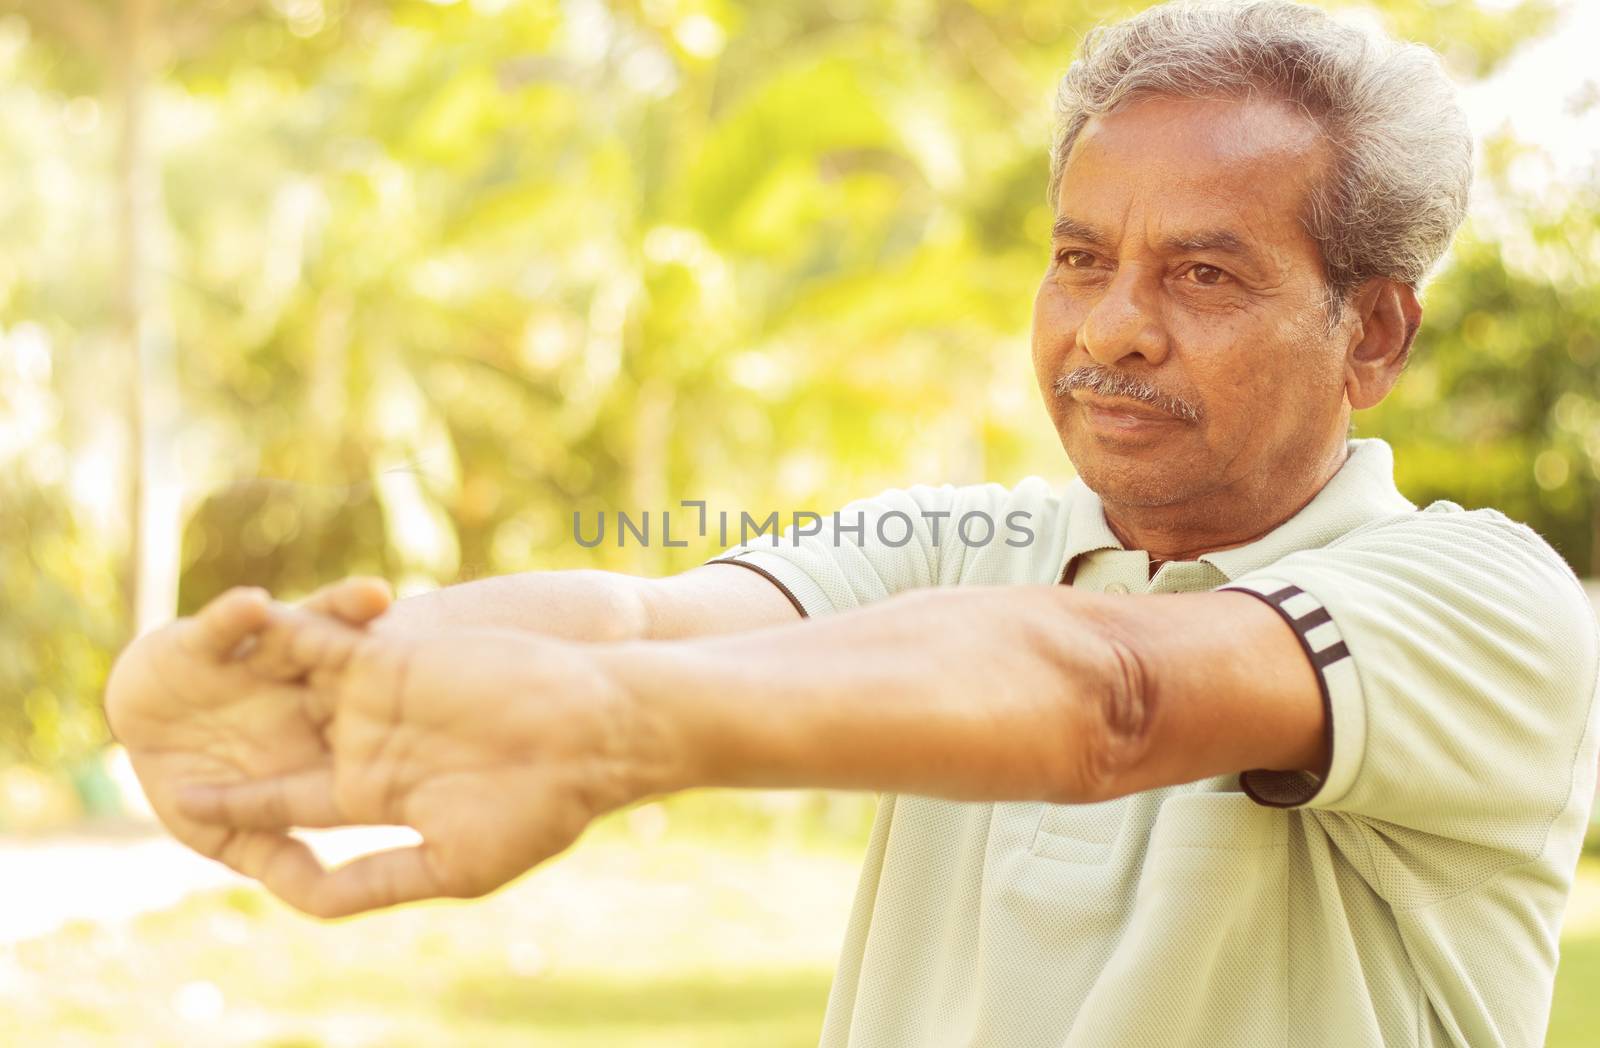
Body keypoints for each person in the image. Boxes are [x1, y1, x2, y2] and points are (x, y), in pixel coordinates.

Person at [105, 2, 1599, 1045]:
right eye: (1081, 259)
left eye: (1203, 276)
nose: (1116, 326)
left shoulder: (1479, 601)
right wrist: (301, 678)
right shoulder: (960, 546)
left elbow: (1114, 698)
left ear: (1374, 337)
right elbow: (650, 618)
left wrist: (614, 733)